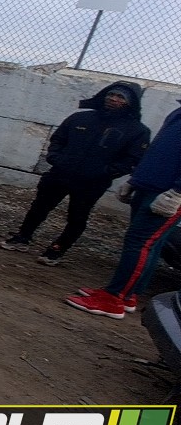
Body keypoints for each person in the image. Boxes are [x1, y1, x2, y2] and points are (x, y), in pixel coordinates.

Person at [0, 82, 150, 265]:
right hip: (60, 174)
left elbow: (131, 160)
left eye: (120, 97)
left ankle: (56, 250)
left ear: (130, 103)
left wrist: (103, 173)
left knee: (77, 217)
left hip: (91, 183)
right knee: (39, 207)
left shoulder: (137, 131)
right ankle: (22, 238)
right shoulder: (80, 118)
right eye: (111, 95)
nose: (113, 99)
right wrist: (56, 158)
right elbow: (58, 140)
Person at [67, 99, 181, 319]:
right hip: (149, 186)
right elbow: (158, 150)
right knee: (149, 244)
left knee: (140, 244)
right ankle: (128, 295)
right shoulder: (178, 113)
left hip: (166, 193)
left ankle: (113, 300)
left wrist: (177, 193)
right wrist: (135, 180)